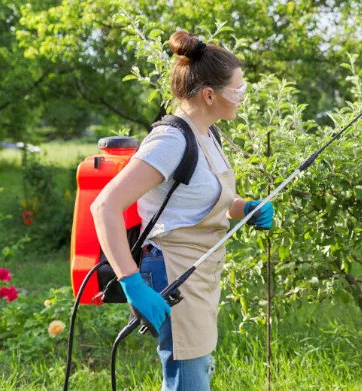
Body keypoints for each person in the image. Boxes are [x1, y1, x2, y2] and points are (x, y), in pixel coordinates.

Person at [91, 30, 274, 390]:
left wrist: (244, 208)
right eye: (238, 91)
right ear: (209, 95)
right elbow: (105, 206)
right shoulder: (172, 140)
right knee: (188, 381)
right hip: (172, 271)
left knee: (193, 372)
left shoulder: (208, 134)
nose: (243, 98)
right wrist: (131, 283)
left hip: (198, 271)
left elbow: (196, 202)